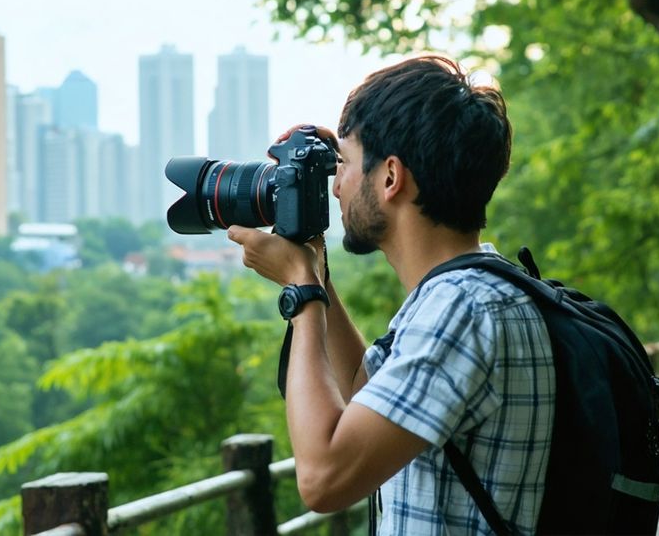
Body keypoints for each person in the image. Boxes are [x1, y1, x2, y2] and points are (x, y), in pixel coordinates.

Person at [226, 55, 556, 535]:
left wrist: (302, 295)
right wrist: (316, 273)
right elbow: (362, 394)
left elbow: (322, 479)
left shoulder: (460, 311)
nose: (335, 188)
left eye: (344, 163)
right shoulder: (480, 292)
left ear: (390, 177)